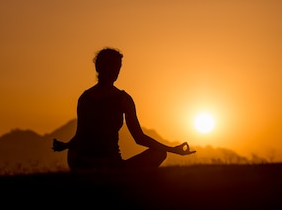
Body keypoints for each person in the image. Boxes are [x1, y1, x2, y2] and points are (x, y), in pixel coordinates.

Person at [52, 47, 195, 172]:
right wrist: (171, 149)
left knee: (72, 152)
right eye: (112, 66)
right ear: (98, 67)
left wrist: (66, 145)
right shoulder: (122, 99)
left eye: (117, 67)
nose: (115, 71)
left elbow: (80, 136)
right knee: (160, 153)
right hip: (111, 165)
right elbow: (139, 138)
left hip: (84, 164)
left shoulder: (85, 98)